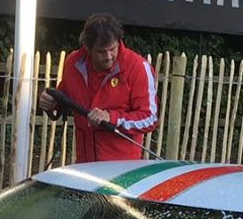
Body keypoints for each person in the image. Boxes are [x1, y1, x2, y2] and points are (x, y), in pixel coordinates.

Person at [38, 13, 157, 163]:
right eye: (101, 51)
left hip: (122, 169)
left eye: (113, 49)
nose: (108, 56)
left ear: (119, 41)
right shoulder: (73, 64)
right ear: (87, 47)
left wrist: (111, 118)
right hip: (85, 165)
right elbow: (64, 97)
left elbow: (150, 118)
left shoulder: (138, 67)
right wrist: (49, 100)